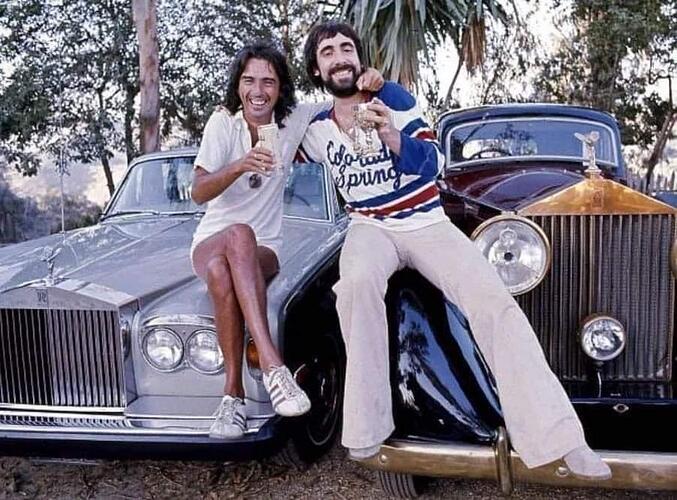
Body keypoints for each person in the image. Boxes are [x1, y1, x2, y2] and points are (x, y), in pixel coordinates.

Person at [298, 21, 611, 480]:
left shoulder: (394, 100)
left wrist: (390, 135)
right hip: (369, 227)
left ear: (360, 59)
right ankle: (367, 428)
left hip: (427, 223)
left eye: (347, 48)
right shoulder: (313, 127)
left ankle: (563, 439)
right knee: (355, 287)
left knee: (493, 303)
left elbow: (432, 168)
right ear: (317, 68)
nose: (340, 57)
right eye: (328, 51)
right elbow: (267, 147)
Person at [190, 41, 383, 439]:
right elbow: (198, 191)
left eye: (268, 81)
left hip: (264, 250)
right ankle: (274, 371)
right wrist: (241, 164)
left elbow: (341, 96)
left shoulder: (293, 120)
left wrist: (371, 82)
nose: (258, 90)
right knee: (233, 238)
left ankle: (232, 401)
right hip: (211, 240)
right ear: (238, 85)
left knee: (225, 270)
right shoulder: (222, 123)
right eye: (248, 81)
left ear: (280, 88)